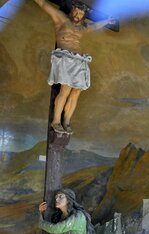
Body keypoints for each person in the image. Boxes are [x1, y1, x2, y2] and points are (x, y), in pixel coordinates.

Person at [33, 0, 114, 134]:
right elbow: (43, 4)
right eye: (76, 12)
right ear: (71, 11)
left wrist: (107, 21)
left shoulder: (83, 27)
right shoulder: (61, 19)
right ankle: (56, 121)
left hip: (79, 60)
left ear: (83, 16)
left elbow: (95, 26)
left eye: (81, 14)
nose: (77, 16)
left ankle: (67, 121)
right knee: (65, 90)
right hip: (65, 58)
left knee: (77, 91)